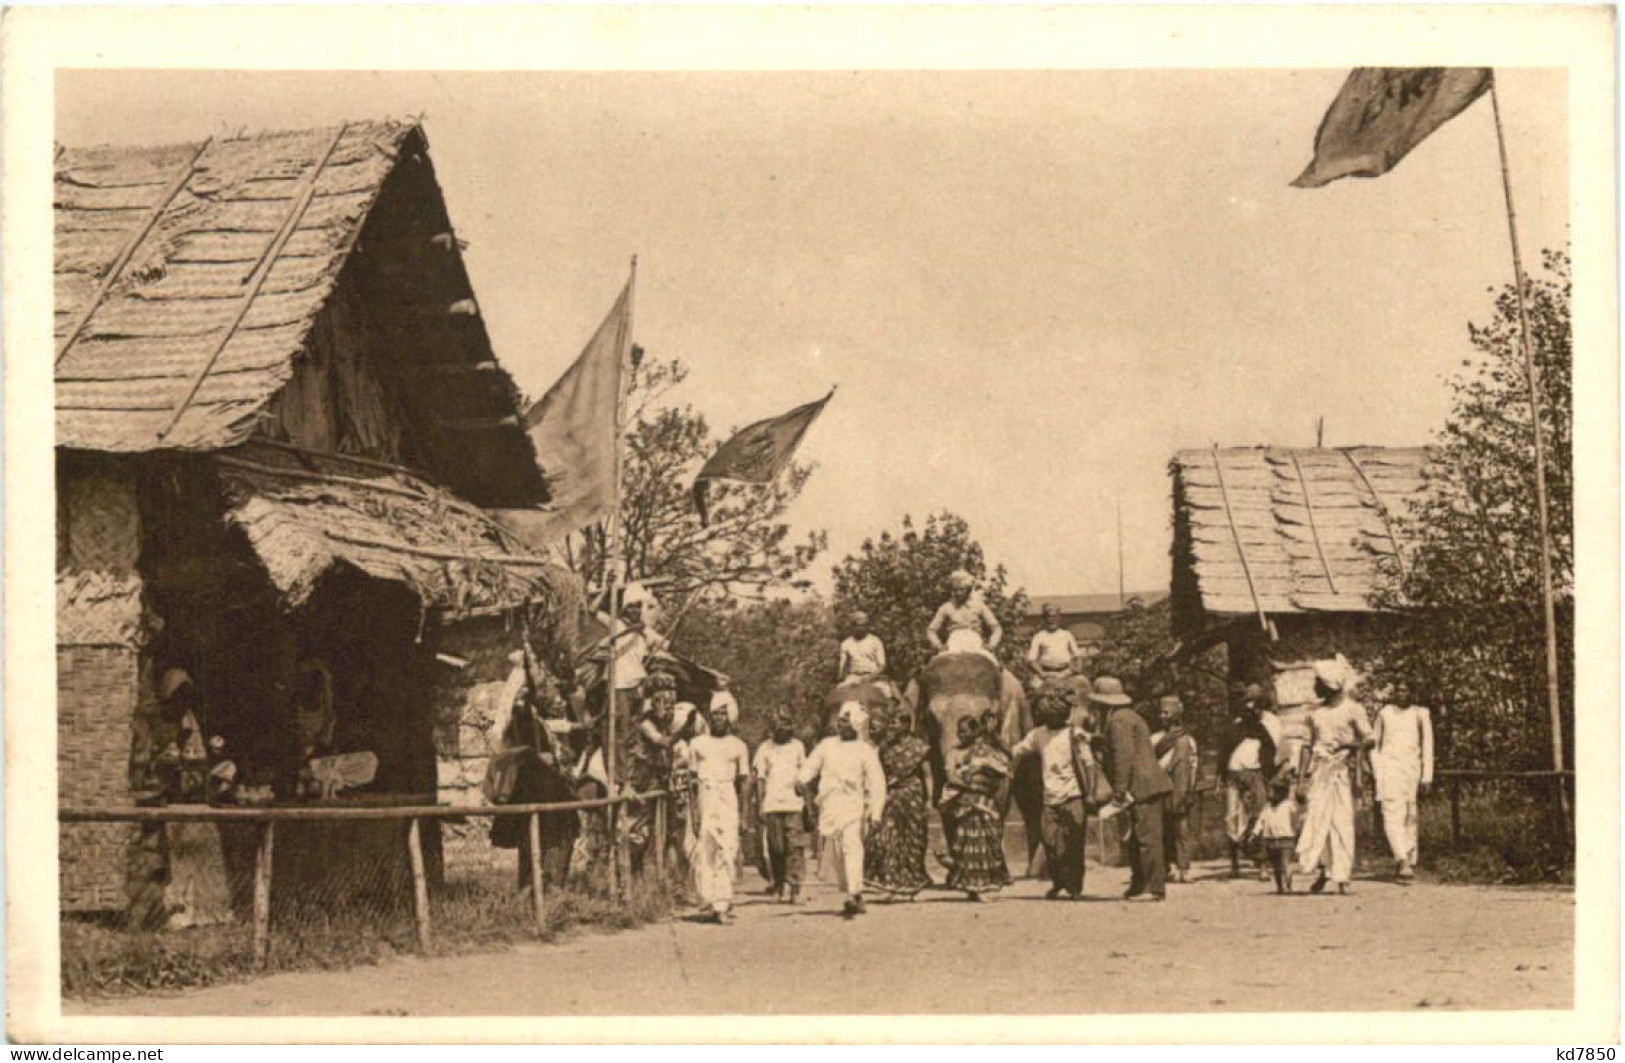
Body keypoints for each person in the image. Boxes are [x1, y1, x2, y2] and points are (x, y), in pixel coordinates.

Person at [797, 702, 887, 918]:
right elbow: (811, 765)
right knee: (837, 852)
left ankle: (853, 892)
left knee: (851, 846)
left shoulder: (865, 751)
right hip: (830, 806)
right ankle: (854, 894)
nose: (840, 723)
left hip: (853, 805)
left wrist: (876, 813)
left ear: (856, 723)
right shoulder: (827, 745)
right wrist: (801, 779)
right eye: (840, 719)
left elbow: (877, 783)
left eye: (846, 720)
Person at [1295, 658, 1375, 895]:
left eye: (1318, 682)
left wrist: (1353, 749)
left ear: (1330, 685)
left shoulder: (1353, 709)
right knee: (1318, 821)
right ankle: (1324, 870)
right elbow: (1306, 747)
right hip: (1320, 772)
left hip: (1342, 772)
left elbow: (1369, 738)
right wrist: (1301, 781)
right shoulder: (1315, 713)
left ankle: (1342, 876)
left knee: (1341, 822)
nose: (1314, 686)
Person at [1010, 690, 1095, 899]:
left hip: (1073, 796)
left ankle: (1074, 886)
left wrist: (1090, 793)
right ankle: (1058, 882)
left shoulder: (1075, 735)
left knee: (1074, 844)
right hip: (1050, 799)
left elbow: (1089, 764)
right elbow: (1017, 750)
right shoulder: (1038, 735)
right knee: (1050, 843)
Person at [1095, 677, 1173, 902]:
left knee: (1147, 838)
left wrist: (1119, 790)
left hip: (1141, 786)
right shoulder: (1129, 717)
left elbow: (1123, 757)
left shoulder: (1118, 721)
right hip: (1143, 785)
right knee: (1138, 837)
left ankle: (1153, 887)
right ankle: (1139, 884)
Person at [684, 705, 750, 923]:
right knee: (705, 848)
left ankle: (722, 902)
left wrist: (744, 814)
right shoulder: (698, 744)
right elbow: (692, 780)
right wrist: (693, 811)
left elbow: (744, 783)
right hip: (706, 795)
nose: (719, 718)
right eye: (715, 714)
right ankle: (709, 900)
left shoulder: (738, 746)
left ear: (730, 717)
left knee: (727, 848)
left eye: (723, 714)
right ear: (710, 717)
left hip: (727, 796)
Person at [863, 704, 934, 900]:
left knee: (912, 841)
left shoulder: (919, 748)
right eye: (891, 722)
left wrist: (929, 801)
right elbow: (879, 775)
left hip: (912, 796)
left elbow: (927, 776)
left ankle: (911, 885)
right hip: (891, 796)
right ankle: (890, 885)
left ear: (905, 724)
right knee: (887, 840)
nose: (892, 726)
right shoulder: (885, 747)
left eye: (895, 723)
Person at [940, 713, 1013, 900]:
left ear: (974, 731)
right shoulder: (954, 753)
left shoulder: (987, 751)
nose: (960, 735)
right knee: (967, 845)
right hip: (965, 803)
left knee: (987, 843)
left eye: (964, 731)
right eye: (958, 731)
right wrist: (970, 783)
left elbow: (1005, 766)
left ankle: (982, 886)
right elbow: (951, 777)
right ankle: (973, 888)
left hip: (985, 803)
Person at [1372, 681, 1434, 881]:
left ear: (1411, 693)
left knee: (1410, 813)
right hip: (1389, 769)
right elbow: (1374, 744)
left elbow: (1427, 745)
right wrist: (1377, 770)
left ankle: (1408, 857)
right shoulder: (1385, 713)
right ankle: (1401, 859)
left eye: (1405, 690)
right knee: (1391, 812)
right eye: (1398, 690)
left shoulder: (1420, 714)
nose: (1401, 694)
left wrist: (1427, 776)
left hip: (1411, 770)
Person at [1220, 683, 1280, 879]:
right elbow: (1224, 753)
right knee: (1232, 818)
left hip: (1255, 775)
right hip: (1234, 776)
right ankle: (1235, 864)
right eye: (1247, 701)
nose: (1250, 707)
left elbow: (1271, 753)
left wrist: (1269, 777)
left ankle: (1262, 865)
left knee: (1259, 817)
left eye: (1254, 703)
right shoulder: (1234, 726)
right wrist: (1220, 778)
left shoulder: (1266, 726)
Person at [752, 708, 808, 903]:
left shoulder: (798, 747)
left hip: (794, 804)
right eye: (779, 723)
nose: (782, 727)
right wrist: (759, 804)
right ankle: (778, 883)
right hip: (772, 804)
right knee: (776, 848)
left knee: (794, 845)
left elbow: (804, 772)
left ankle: (795, 886)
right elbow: (760, 778)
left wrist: (805, 793)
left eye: (786, 722)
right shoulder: (764, 748)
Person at [1155, 696, 1199, 884]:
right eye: (1161, 712)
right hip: (1161, 787)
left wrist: (1189, 788)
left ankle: (1184, 867)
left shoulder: (1187, 740)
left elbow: (1193, 766)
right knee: (1162, 829)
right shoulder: (1156, 739)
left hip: (1180, 789)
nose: (1162, 716)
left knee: (1182, 830)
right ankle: (1167, 866)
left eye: (1166, 712)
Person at [927, 570, 1003, 660]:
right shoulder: (946, 607)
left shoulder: (979, 605)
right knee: (935, 667)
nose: (958, 593)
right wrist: (939, 646)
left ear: (968, 590)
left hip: (975, 644)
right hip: (953, 644)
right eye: (955, 590)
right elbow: (931, 630)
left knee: (994, 667)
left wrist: (991, 645)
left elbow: (996, 628)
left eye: (961, 590)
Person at [1254, 777, 1299, 894]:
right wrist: (1255, 832)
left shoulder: (1289, 805)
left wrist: (1296, 830)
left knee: (1286, 863)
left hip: (1286, 839)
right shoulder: (1267, 807)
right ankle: (1280, 886)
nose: (1268, 794)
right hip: (1271, 840)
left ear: (1280, 793)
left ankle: (1288, 884)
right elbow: (1261, 821)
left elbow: (1296, 817)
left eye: (1270, 791)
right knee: (1276, 866)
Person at [1026, 605, 1081, 690]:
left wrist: (1073, 670)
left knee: (1082, 688)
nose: (1051, 620)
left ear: (1059, 618)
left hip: (1065, 673)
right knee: (1033, 691)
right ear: (1044, 619)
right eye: (1048, 617)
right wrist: (1041, 673)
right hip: (1045, 673)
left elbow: (1078, 656)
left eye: (1054, 617)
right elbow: (1031, 660)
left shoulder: (1067, 635)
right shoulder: (1039, 636)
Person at [838, 611, 889, 687]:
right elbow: (842, 666)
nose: (860, 628)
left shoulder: (875, 641)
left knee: (884, 692)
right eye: (857, 625)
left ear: (867, 626)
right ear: (852, 626)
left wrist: (870, 677)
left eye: (863, 625)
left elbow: (882, 666)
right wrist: (841, 675)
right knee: (841, 691)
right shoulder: (846, 644)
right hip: (854, 677)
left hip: (873, 676)